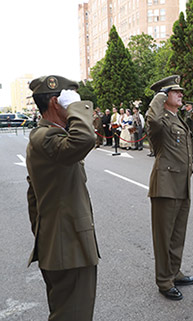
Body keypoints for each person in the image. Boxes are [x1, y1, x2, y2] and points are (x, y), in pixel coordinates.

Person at [26, 75, 99, 320]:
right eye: (71, 98)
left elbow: (33, 196)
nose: (75, 103)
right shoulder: (46, 137)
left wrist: (45, 232)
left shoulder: (49, 136)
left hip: (61, 243)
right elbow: (86, 138)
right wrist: (78, 108)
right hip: (68, 248)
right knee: (74, 315)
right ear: (57, 102)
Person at [146, 75, 193, 300]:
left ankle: (174, 272)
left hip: (181, 184)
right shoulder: (161, 119)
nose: (181, 95)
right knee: (164, 236)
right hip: (165, 185)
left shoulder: (177, 118)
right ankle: (164, 281)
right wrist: (158, 97)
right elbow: (153, 122)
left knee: (177, 234)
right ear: (165, 96)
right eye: (176, 92)